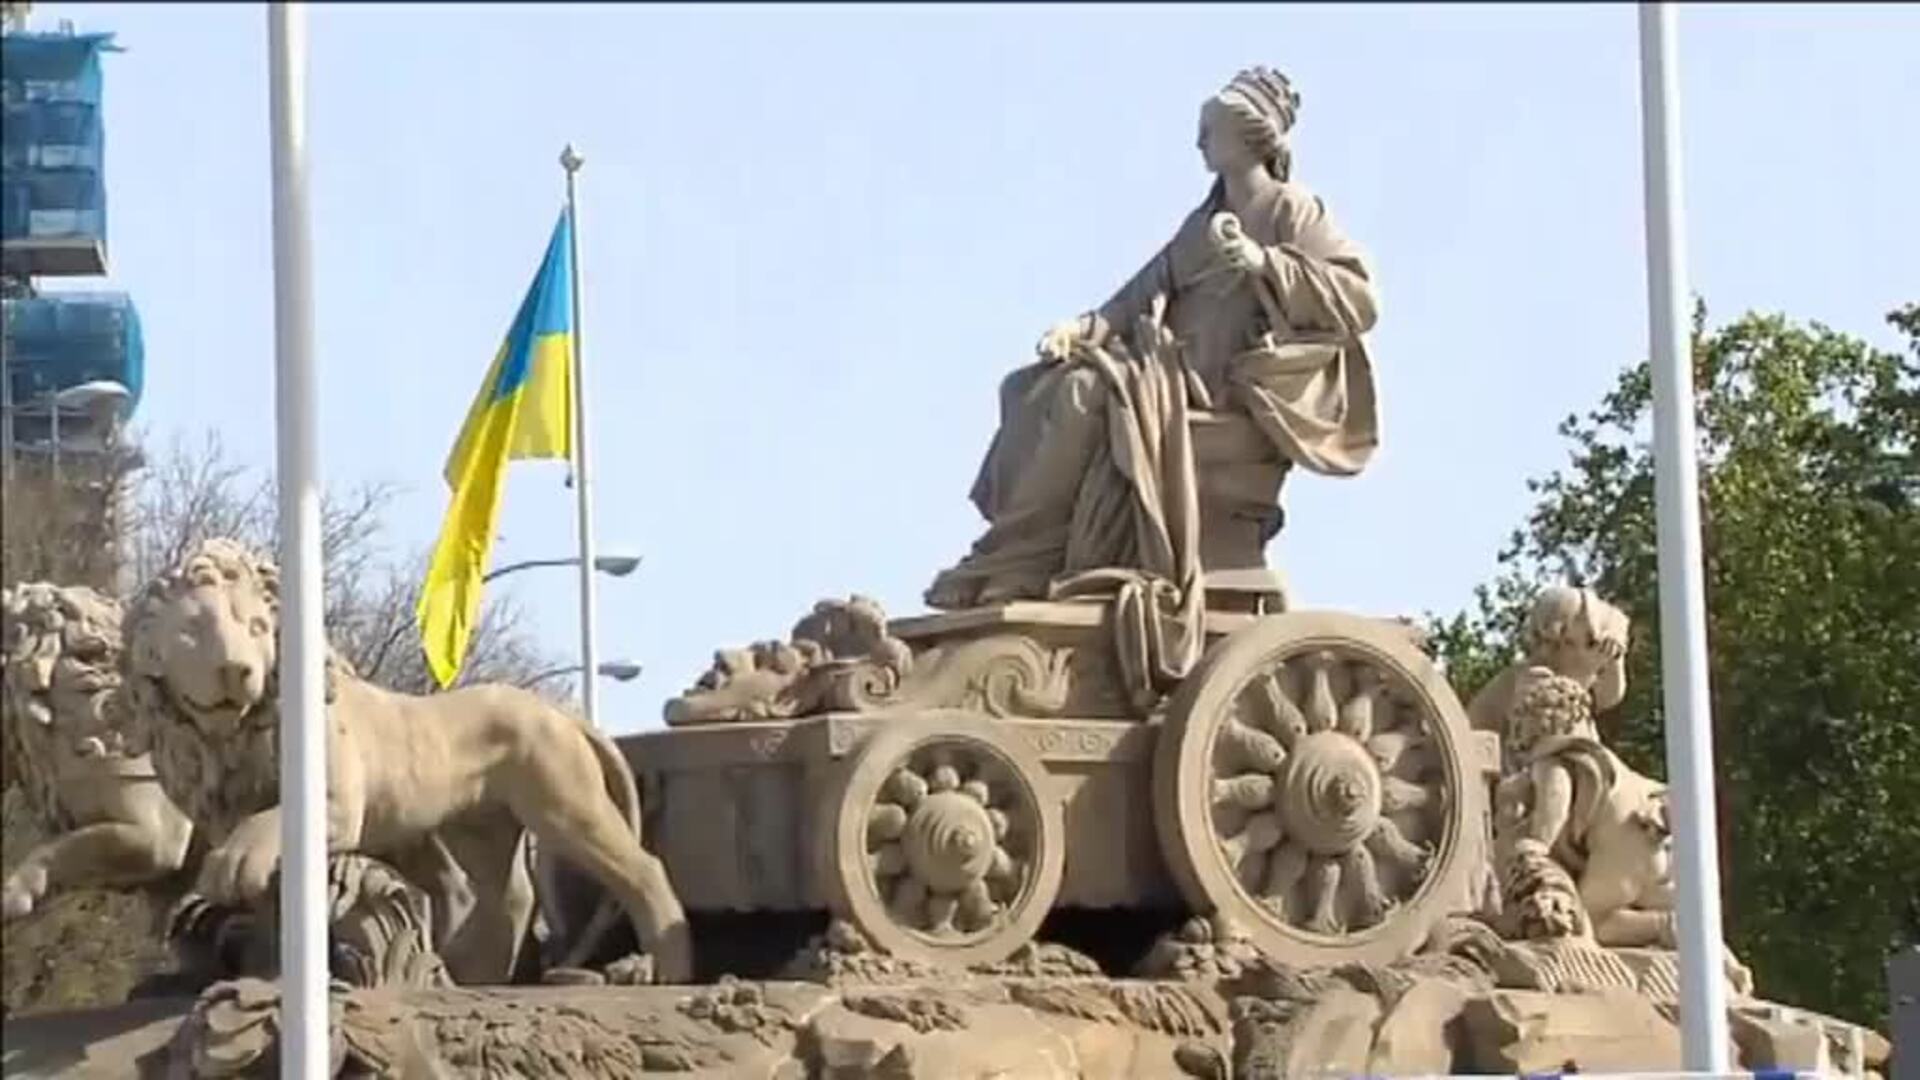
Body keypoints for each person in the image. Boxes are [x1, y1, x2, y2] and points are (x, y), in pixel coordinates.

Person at [925, 67, 1382, 617]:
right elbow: (1136, 296)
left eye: (1209, 130)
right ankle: (1016, 559)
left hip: (1221, 386)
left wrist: (1267, 264)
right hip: (1169, 370)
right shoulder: (1201, 224)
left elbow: (1358, 298)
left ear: (1249, 133)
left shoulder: (1290, 208)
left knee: (1084, 395)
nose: (1198, 143)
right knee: (1040, 387)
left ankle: (1013, 566)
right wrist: (1079, 329)